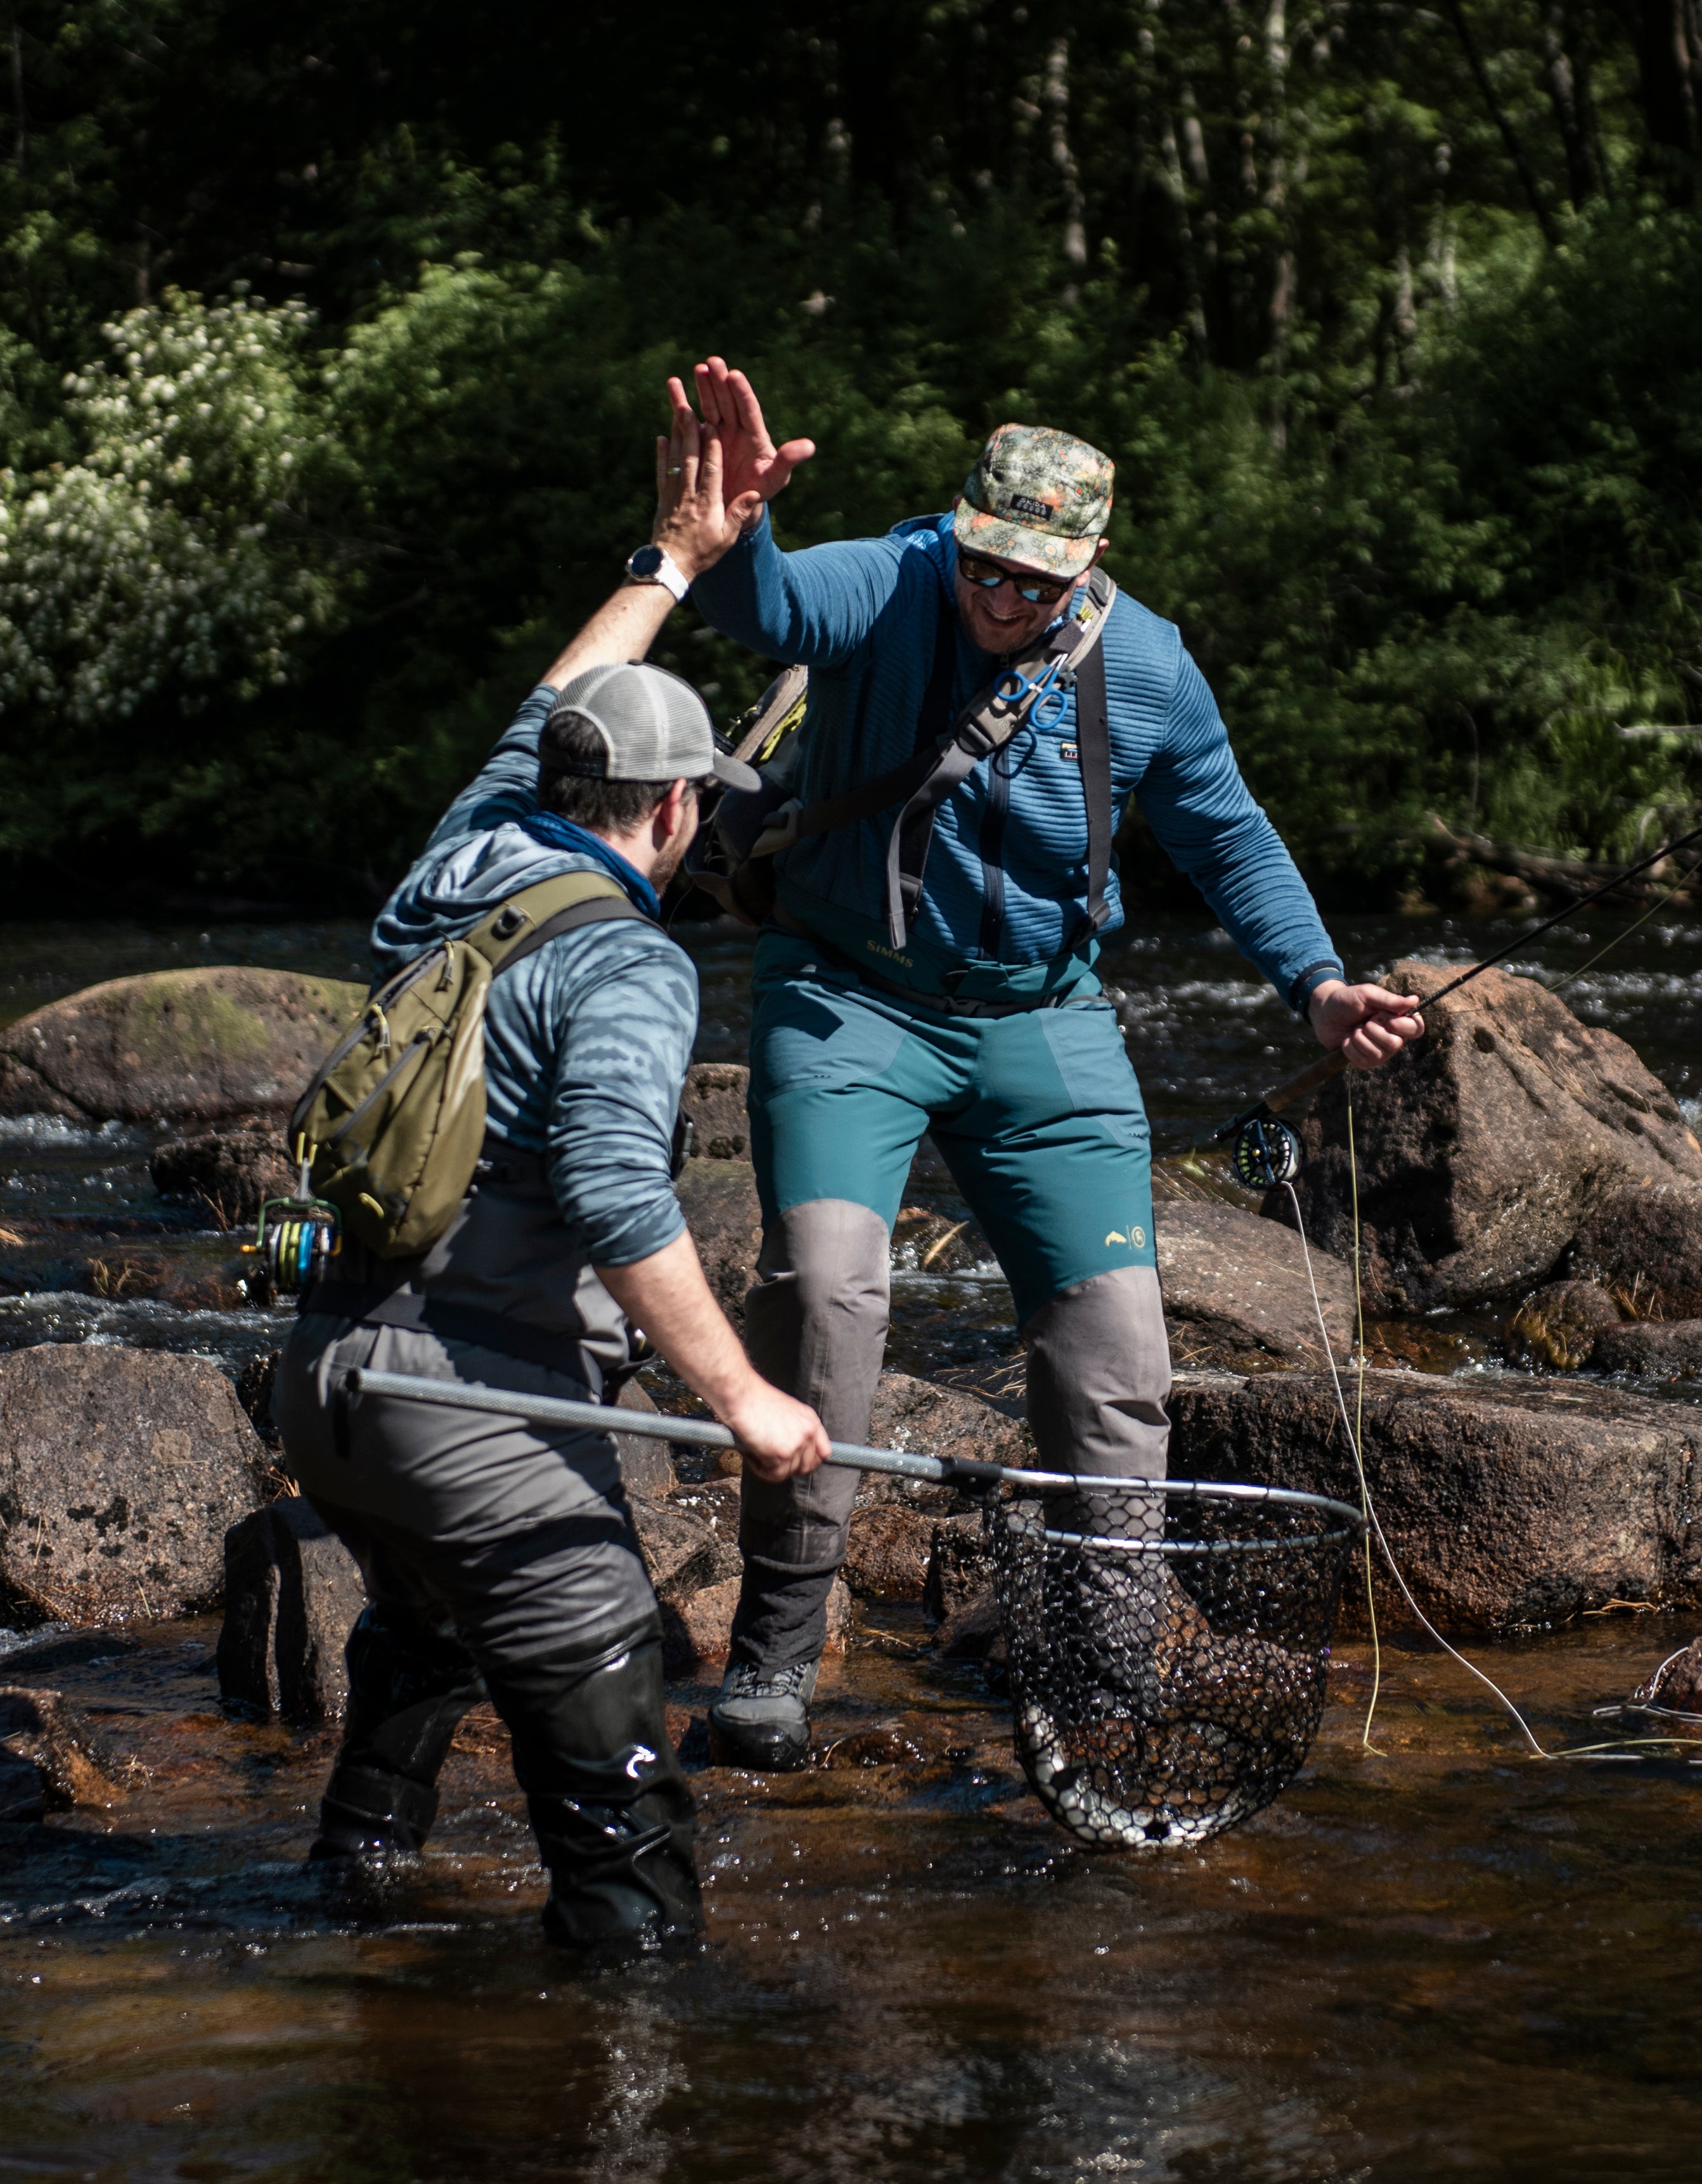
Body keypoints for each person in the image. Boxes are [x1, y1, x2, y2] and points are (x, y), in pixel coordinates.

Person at [647, 357, 1424, 1770]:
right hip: (846, 1000)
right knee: (825, 1295)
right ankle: (772, 1659)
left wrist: (1313, 982)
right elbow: (763, 604)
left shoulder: (1147, 663)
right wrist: (740, 525)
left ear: (1091, 564)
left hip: (1042, 1019)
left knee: (1116, 1357)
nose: (1001, 598)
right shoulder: (887, 585)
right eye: (985, 566)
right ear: (957, 534)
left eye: (1035, 579)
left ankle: (1098, 1673)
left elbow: (1226, 836)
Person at [274, 405, 830, 1960]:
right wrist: (742, 1400)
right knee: (624, 1835)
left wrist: (675, 557)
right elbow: (615, 1197)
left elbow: (551, 705)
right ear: (674, 809)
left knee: (427, 1622)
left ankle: (348, 1902)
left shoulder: (455, 863)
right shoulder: (628, 963)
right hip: (478, 1422)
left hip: (329, 1393)